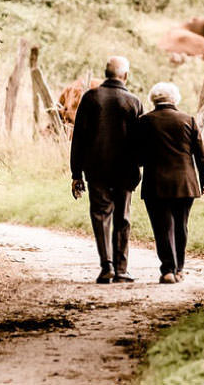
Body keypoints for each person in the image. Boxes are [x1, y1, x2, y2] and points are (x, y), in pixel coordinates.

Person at [70, 56, 143, 284]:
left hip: (97, 169)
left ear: (105, 73)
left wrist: (76, 173)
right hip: (125, 170)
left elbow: (78, 138)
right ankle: (122, 269)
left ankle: (107, 267)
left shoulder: (91, 98)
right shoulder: (134, 101)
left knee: (101, 216)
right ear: (126, 76)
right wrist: (139, 166)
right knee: (123, 218)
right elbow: (141, 141)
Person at [136, 82, 204, 284]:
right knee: (181, 226)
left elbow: (139, 156)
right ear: (175, 99)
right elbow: (200, 155)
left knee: (161, 228)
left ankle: (167, 269)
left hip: (155, 184)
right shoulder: (189, 120)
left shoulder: (144, 121)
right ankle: (179, 269)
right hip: (185, 183)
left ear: (153, 99)